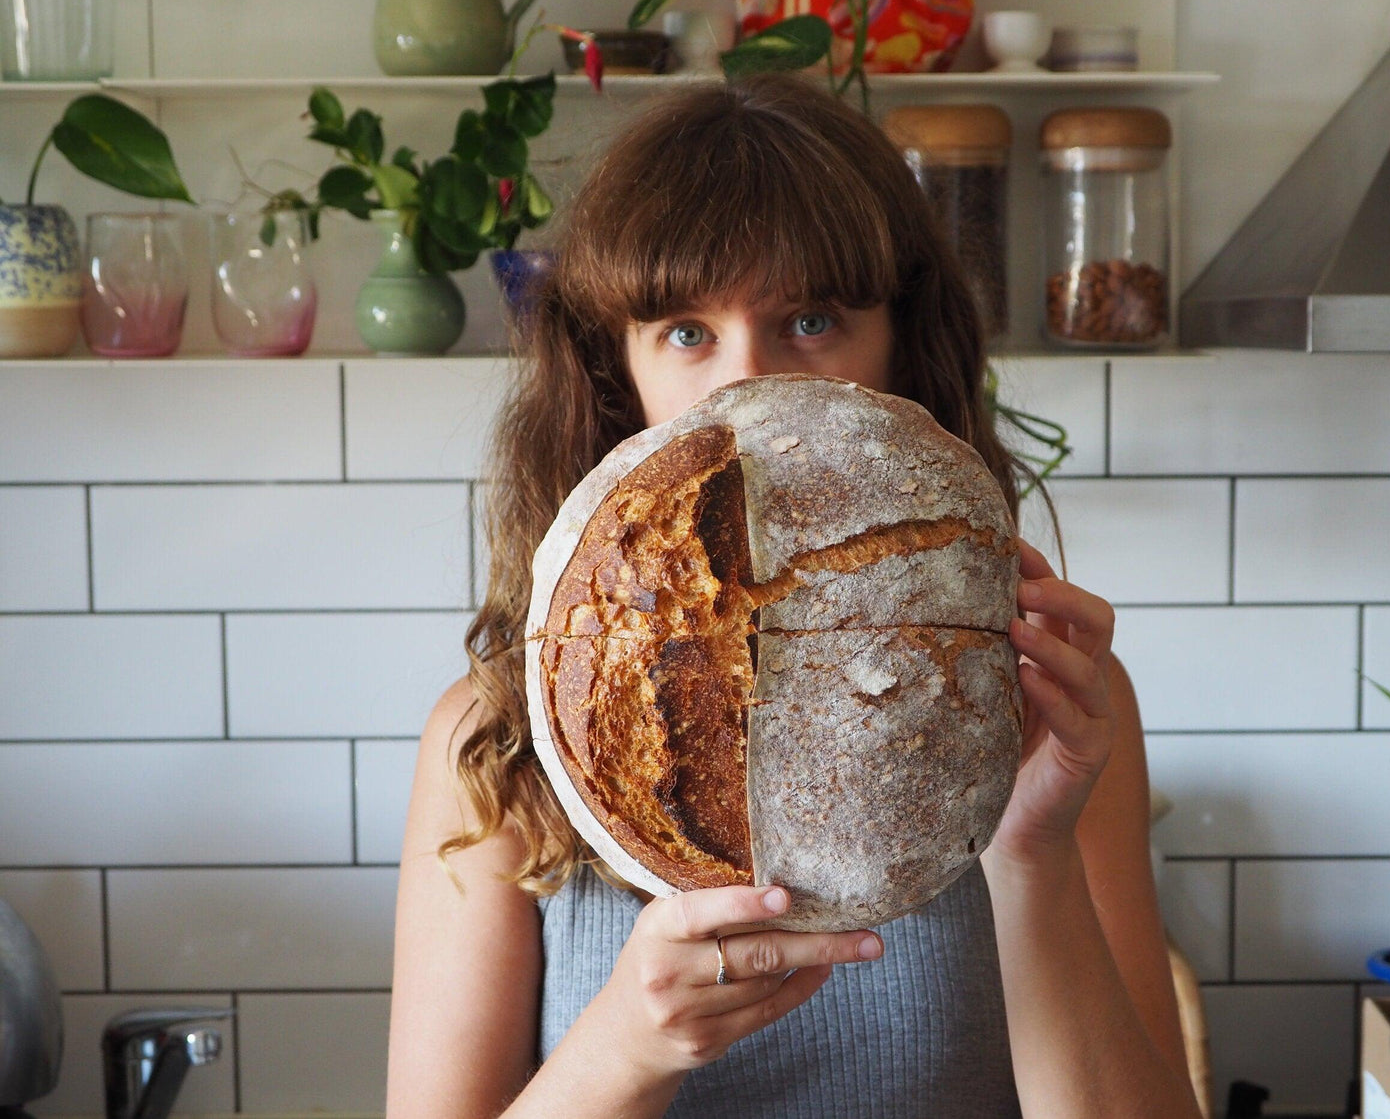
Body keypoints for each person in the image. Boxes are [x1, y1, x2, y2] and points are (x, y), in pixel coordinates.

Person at [387, 73, 1198, 1119]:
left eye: (812, 318)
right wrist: (629, 1047)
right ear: (613, 372)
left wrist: (1032, 856)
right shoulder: (494, 740)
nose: (748, 381)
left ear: (903, 348)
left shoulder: (1052, 704)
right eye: (686, 331)